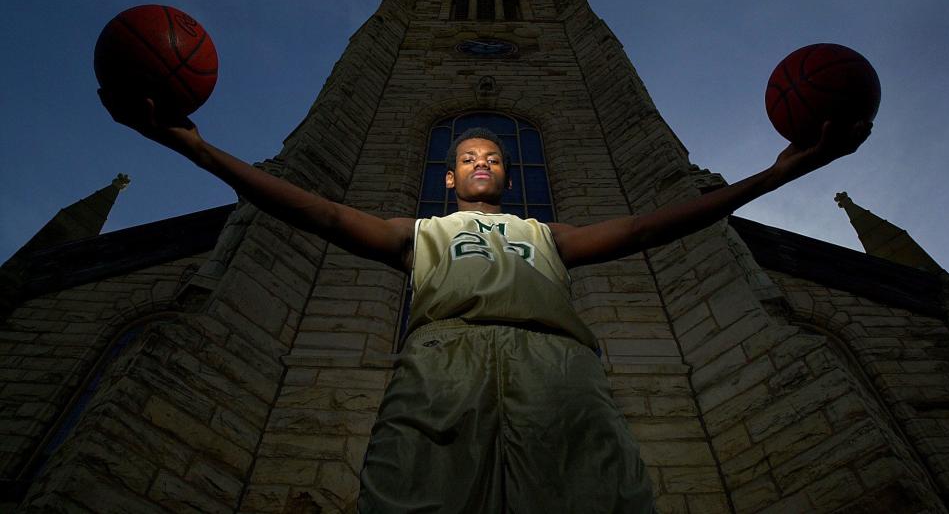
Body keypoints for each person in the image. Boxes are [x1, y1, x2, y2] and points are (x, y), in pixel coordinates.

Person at [99, 91, 870, 513]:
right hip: (440, 368)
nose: (480, 162)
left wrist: (776, 177)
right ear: (447, 176)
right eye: (467, 156)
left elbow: (650, 225)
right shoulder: (420, 232)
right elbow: (323, 214)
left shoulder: (548, 235)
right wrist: (197, 150)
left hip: (558, 372)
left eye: (492, 157)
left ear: (505, 174)